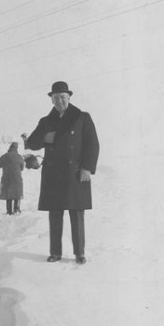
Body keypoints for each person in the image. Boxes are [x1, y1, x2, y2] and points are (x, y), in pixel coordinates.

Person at [24, 81, 99, 264]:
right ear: (51, 100)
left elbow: (92, 145)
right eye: (55, 98)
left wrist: (87, 168)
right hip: (53, 174)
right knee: (55, 215)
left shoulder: (82, 117)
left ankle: (79, 253)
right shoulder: (46, 121)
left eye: (63, 97)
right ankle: (55, 253)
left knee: (76, 214)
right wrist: (45, 137)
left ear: (69, 97)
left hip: (75, 174)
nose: (59, 101)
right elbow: (32, 143)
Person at [0, 142, 24, 215]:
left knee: (8, 194)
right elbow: (22, 168)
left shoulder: (4, 156)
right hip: (17, 178)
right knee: (17, 194)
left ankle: (9, 211)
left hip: (6, 178)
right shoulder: (19, 157)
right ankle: (16, 209)